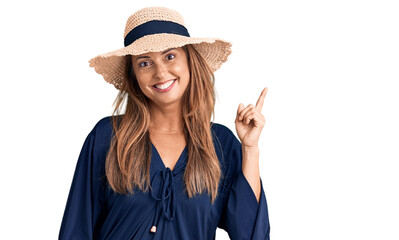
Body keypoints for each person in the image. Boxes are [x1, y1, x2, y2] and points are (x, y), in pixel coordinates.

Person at [59, 7, 270, 240]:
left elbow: (250, 234)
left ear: (189, 61)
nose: (160, 72)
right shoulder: (108, 137)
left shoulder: (220, 144)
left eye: (170, 56)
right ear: (134, 75)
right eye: (144, 63)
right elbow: (76, 229)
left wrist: (250, 149)